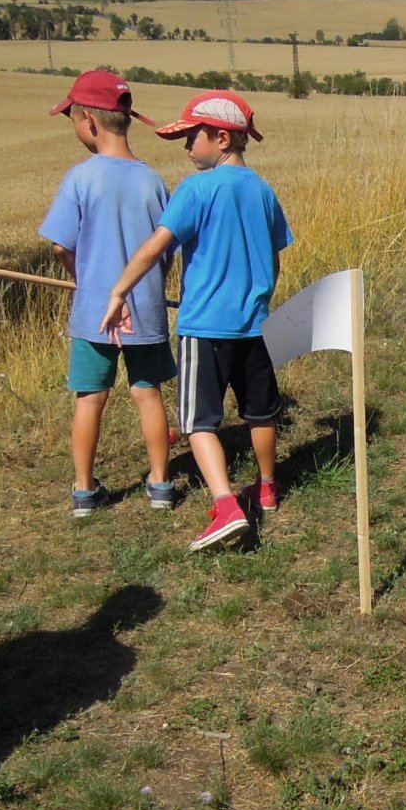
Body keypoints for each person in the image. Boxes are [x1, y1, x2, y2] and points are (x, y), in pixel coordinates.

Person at [100, 91, 289, 553]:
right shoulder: (264, 190)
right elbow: (275, 254)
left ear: (222, 138)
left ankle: (226, 506)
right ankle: (267, 489)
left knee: (199, 422)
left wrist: (119, 291)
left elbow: (154, 246)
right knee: (260, 412)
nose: (186, 147)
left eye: (191, 136)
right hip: (257, 323)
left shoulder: (197, 189)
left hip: (205, 326)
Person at [39, 70, 178, 518]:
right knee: (148, 392)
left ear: (89, 122)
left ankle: (84, 491)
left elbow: (62, 244)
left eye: (73, 119)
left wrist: (81, 276)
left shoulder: (81, 178)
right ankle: (160, 483)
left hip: (94, 311)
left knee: (90, 397)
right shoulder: (153, 181)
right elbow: (166, 247)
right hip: (147, 308)